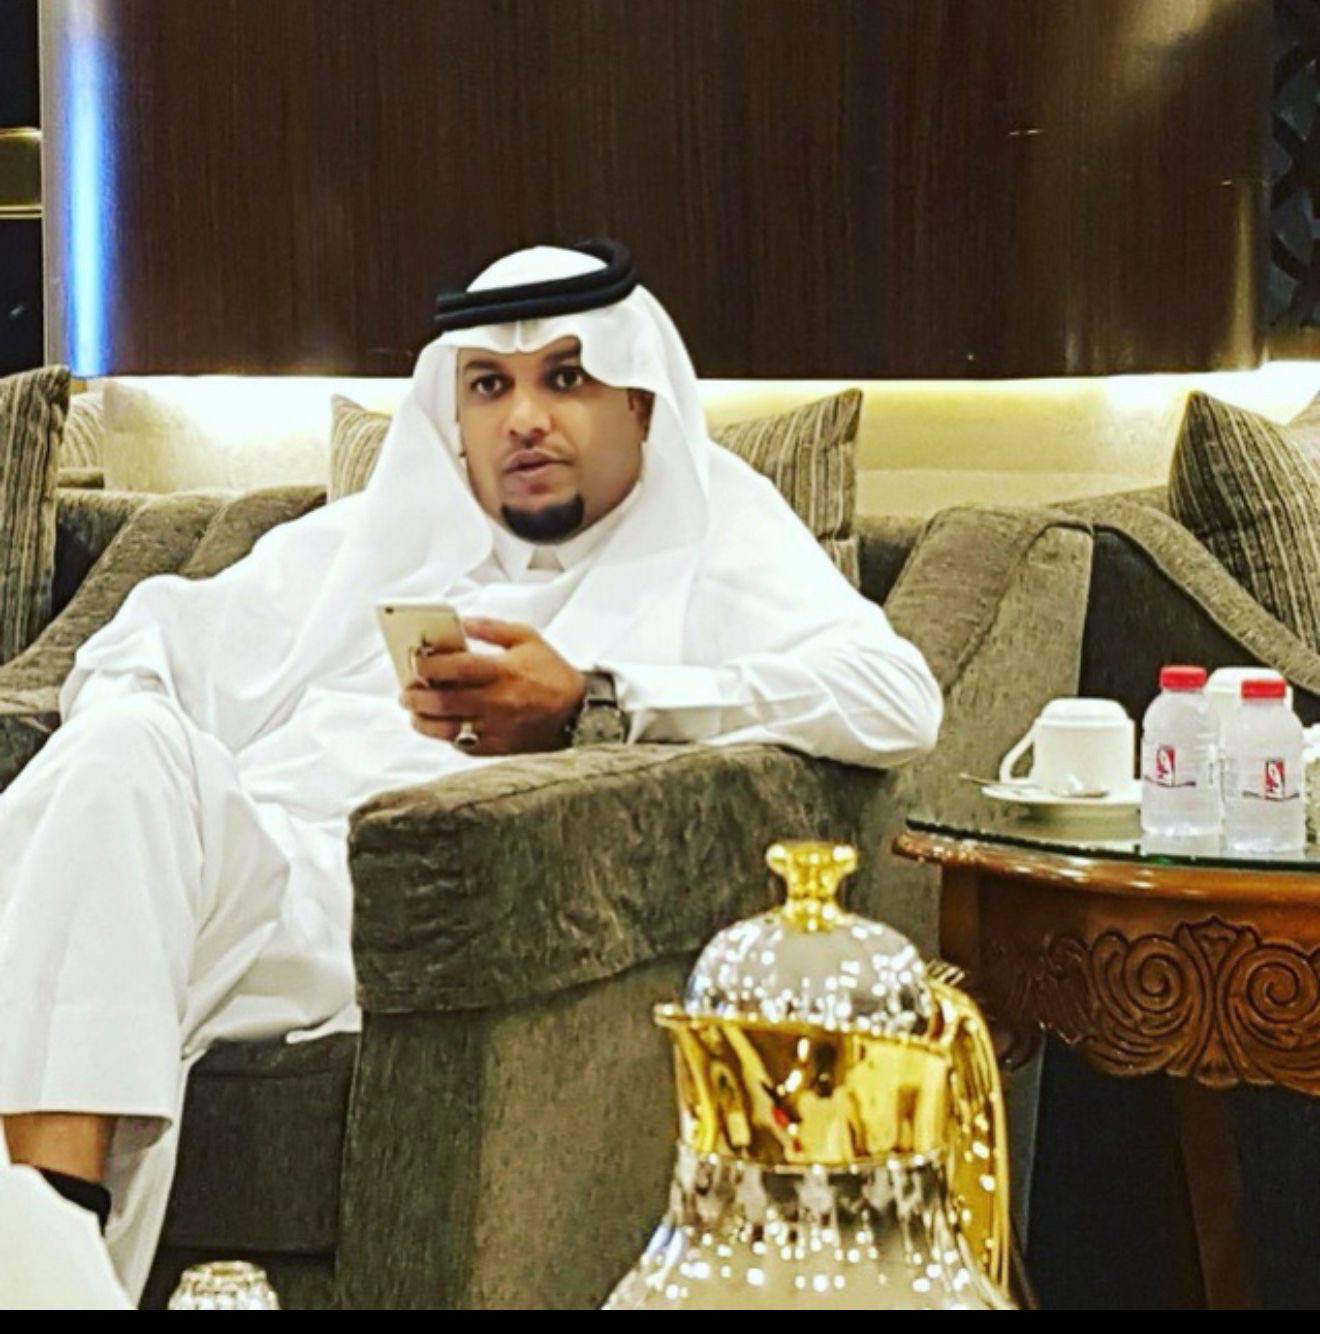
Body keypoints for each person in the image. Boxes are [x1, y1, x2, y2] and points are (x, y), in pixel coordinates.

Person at [0, 242, 941, 1298]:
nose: (525, 418)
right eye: (489, 386)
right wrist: (135, 812)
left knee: (98, 815)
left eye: (566, 378)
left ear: (638, 403)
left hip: (371, 910)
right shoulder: (377, 534)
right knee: (117, 750)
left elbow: (896, 698)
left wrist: (594, 700)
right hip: (221, 863)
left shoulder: (712, 529)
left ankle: (45, 1253)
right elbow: (134, 651)